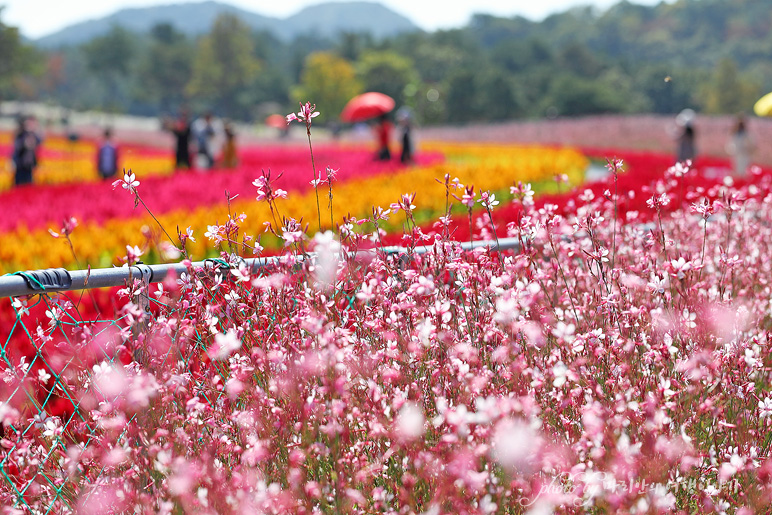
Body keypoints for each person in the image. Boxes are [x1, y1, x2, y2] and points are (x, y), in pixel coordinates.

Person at [11, 116, 42, 187]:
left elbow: (39, 142)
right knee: (19, 184)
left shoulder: (34, 134)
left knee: (28, 185)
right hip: (20, 164)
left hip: (29, 165)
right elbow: (17, 147)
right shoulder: (21, 133)